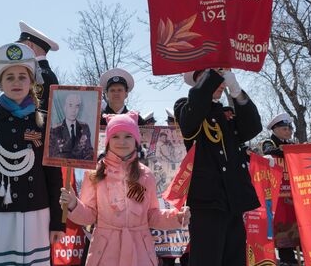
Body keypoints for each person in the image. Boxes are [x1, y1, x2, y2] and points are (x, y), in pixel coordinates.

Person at [0, 42, 65, 265]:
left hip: (37, 218)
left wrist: (57, 223)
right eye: (9, 77)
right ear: (0, 84)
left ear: (31, 81)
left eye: (22, 76)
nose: (17, 82)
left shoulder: (46, 121)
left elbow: (54, 177)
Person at [59, 112, 190, 266]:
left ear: (136, 140)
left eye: (128, 136)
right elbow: (89, 216)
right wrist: (74, 204)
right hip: (105, 252)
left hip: (140, 251)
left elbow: (152, 215)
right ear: (107, 141)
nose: (122, 142)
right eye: (115, 136)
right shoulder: (94, 174)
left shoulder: (146, 175)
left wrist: (176, 217)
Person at [174, 68, 262, 266]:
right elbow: (192, 115)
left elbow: (252, 127)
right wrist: (213, 75)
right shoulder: (184, 106)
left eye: (222, 79)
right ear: (200, 82)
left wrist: (236, 92)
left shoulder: (225, 113)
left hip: (233, 198)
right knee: (207, 259)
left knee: (234, 260)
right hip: (207, 201)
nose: (220, 83)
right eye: (214, 78)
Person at [261, 113, 298, 266]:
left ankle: (295, 255)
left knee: (293, 222)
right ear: (275, 129)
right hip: (276, 192)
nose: (288, 131)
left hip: (290, 191)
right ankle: (286, 258)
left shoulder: (290, 144)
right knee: (281, 224)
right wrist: (291, 151)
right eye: (285, 128)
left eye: (290, 128)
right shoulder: (268, 142)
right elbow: (271, 152)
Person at [17, 21, 59, 113]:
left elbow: (36, 110)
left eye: (21, 46)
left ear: (29, 45)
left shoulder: (40, 75)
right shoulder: (44, 73)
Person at [48, 93, 94, 160]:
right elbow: (51, 154)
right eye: (70, 105)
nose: (73, 110)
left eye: (77, 106)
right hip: (61, 166)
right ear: (65, 108)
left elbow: (89, 151)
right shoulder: (55, 129)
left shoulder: (85, 127)